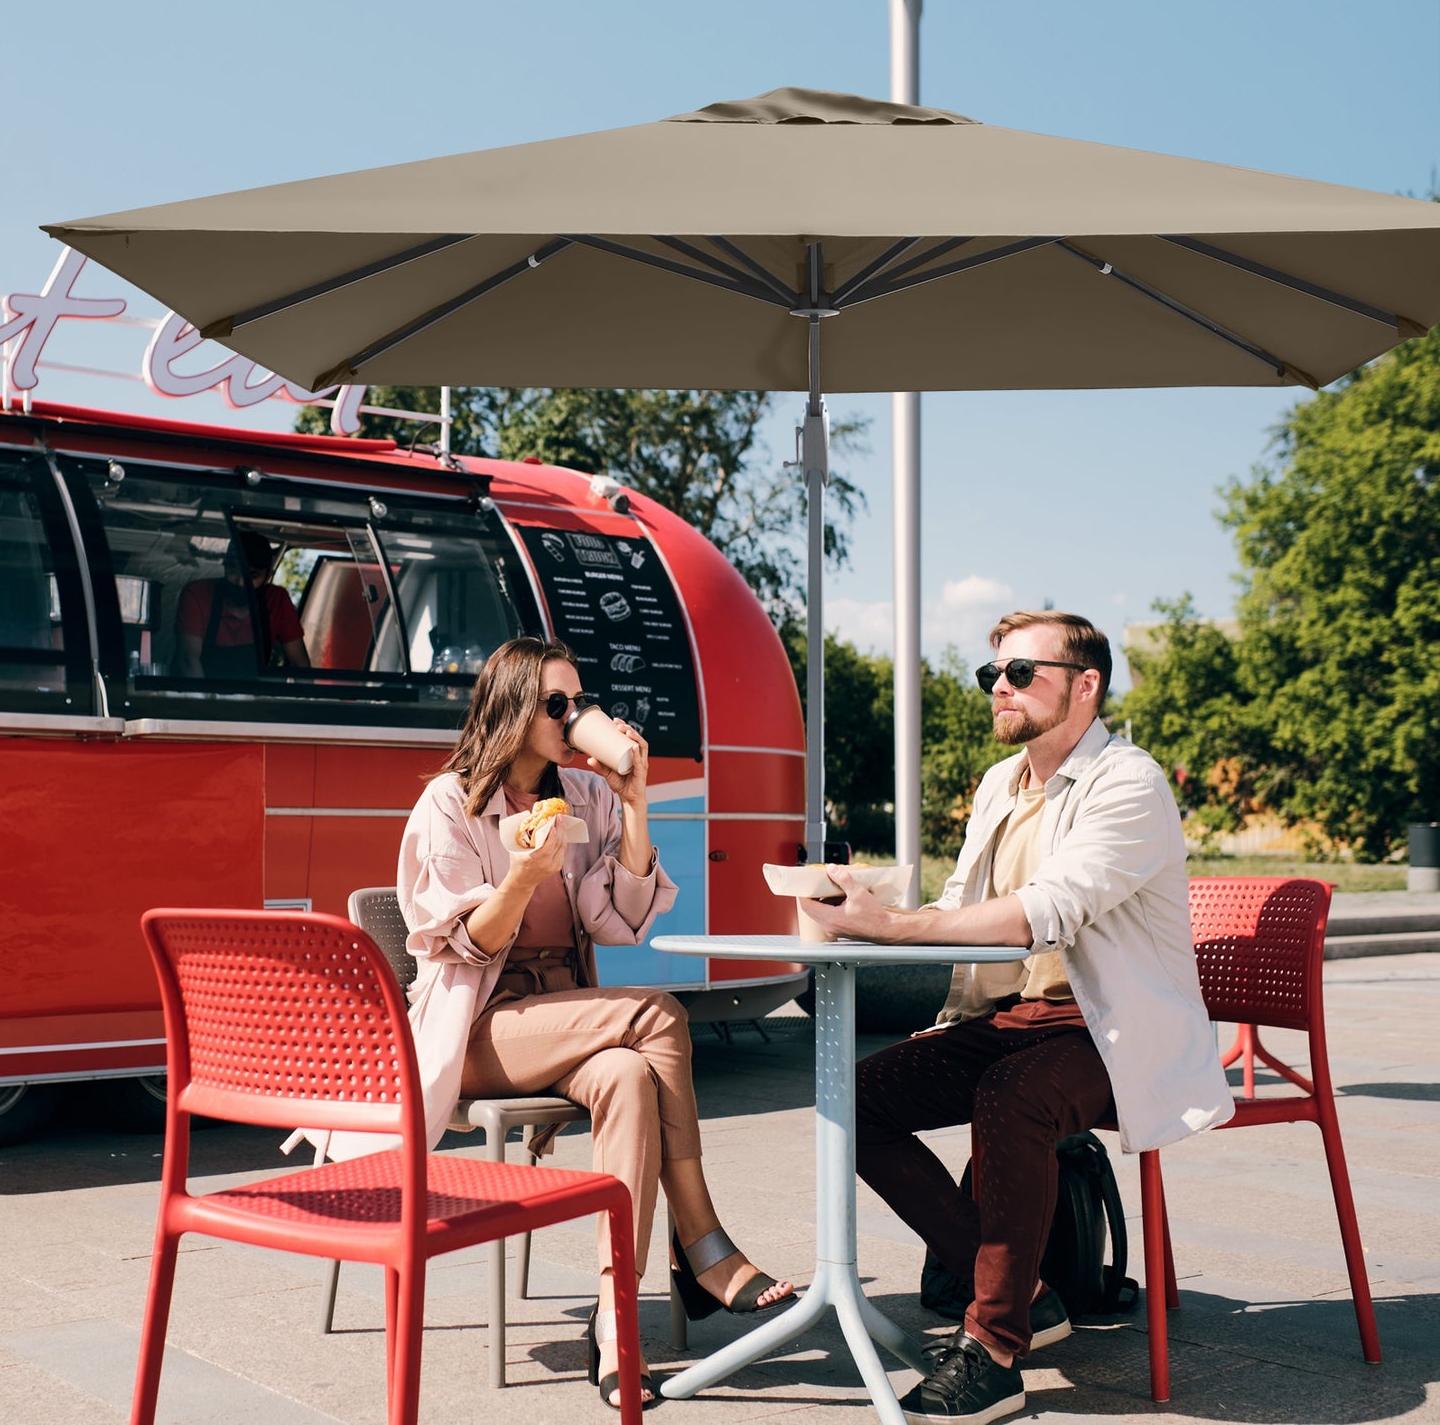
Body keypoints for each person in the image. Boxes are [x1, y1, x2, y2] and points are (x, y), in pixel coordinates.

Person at [800, 610, 1233, 1425]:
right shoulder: (1002, 783)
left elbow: (1046, 910)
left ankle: (994, 1351)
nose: (999, 685)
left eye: (1021, 672)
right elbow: (966, 907)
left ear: (1085, 685)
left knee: (1011, 1095)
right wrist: (867, 908)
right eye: (991, 673)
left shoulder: (1127, 781)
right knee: (855, 1098)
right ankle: (1025, 1292)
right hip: (1011, 1015)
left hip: (1106, 1026)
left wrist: (893, 927)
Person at [397, 636, 794, 1409]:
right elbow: (465, 941)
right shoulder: (452, 801)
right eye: (555, 704)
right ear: (511, 707)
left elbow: (626, 925)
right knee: (657, 1012)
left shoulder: (585, 795)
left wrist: (638, 799)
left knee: (628, 1073)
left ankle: (616, 1327)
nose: (572, 716)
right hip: (476, 1021)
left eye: (578, 702)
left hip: (567, 1013)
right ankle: (702, 1240)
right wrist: (520, 877)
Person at [175, 529, 309, 677]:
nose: (241, 582)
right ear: (225, 566)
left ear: (268, 575)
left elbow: (300, 664)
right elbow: (188, 659)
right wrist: (204, 699)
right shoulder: (198, 594)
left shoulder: (277, 600)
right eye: (234, 571)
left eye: (252, 575)